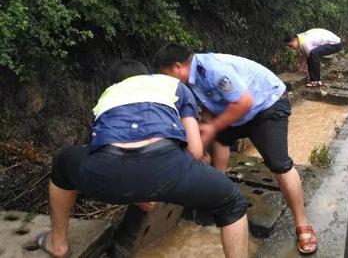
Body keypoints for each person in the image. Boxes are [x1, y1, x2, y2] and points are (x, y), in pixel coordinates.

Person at [38, 60, 249, 258]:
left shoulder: (108, 96)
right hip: (168, 166)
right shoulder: (172, 85)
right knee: (232, 203)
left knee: (63, 161)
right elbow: (194, 150)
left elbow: (105, 148)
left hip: (105, 176)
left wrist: (138, 194)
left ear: (114, 82)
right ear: (148, 75)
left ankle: (58, 244)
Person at [153, 45, 318, 255]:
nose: (166, 81)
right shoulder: (188, 81)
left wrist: (212, 128)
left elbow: (244, 102)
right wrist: (202, 144)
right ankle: (219, 194)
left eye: (165, 75)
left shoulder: (212, 70)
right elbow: (208, 112)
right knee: (220, 138)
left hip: (267, 104)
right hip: (237, 110)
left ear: (177, 67)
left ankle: (302, 224)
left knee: (279, 164)